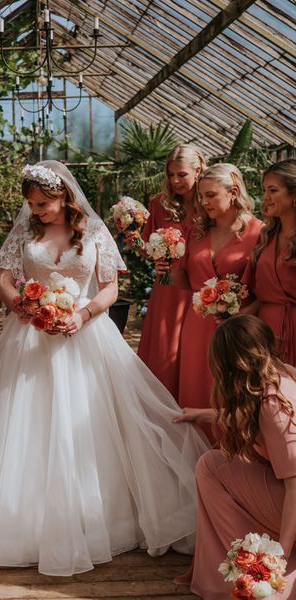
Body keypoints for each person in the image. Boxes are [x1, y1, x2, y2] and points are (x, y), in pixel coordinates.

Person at [0, 160, 209, 576]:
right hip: (30, 335)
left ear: (63, 197)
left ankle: (98, 515)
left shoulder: (93, 231)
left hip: (86, 333)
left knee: (88, 422)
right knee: (23, 422)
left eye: (42, 204)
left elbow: (112, 287)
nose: (35, 210)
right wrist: (22, 304)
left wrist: (84, 313)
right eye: (32, 204)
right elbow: (3, 279)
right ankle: (17, 515)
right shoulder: (25, 231)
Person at [173, 315, 296, 599]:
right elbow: (246, 417)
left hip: (292, 502)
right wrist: (202, 414)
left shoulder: (273, 407)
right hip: (285, 496)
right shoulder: (283, 374)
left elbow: (294, 487)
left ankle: (253, 564)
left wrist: (280, 556)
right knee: (213, 462)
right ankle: (245, 556)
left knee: (211, 467)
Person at [171, 163, 263, 440]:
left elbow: (265, 290)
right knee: (196, 390)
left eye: (210, 195)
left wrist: (239, 313)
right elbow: (183, 281)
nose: (203, 202)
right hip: (197, 328)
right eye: (201, 196)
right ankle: (196, 465)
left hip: (240, 330)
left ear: (233, 192)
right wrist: (169, 261)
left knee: (233, 393)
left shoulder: (259, 232)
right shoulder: (196, 232)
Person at [137, 143, 206, 398]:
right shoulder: (159, 203)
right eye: (170, 174)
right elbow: (148, 245)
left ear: (198, 170)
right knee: (165, 352)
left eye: (182, 174)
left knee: (194, 353)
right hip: (168, 288)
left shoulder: (209, 201)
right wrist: (151, 255)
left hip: (200, 285)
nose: (175, 180)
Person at [243, 158, 296, 365]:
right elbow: (262, 292)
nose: (265, 197)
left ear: (294, 195)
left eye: (273, 191)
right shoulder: (266, 236)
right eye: (264, 190)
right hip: (266, 333)